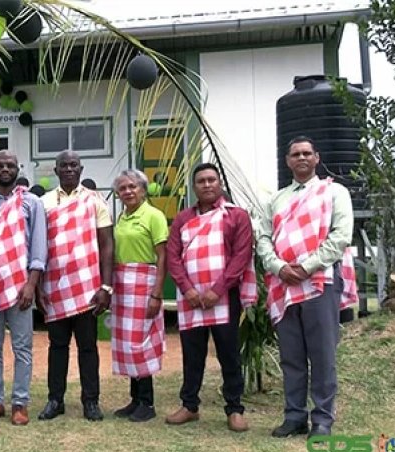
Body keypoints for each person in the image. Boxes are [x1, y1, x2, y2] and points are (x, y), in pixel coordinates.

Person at [257, 136, 357, 438]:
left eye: (306, 153)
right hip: (284, 284)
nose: (301, 158)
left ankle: (323, 419)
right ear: (287, 161)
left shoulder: (334, 192)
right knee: (291, 355)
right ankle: (295, 416)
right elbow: (263, 238)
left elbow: (341, 236)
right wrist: (279, 267)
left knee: (322, 354)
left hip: (319, 281)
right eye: (295, 154)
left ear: (316, 158)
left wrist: (307, 267)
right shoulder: (277, 199)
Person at [165, 163, 256, 432]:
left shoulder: (236, 216)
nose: (207, 184)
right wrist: (188, 290)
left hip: (224, 298)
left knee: (229, 353)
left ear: (219, 184)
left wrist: (218, 290)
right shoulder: (182, 219)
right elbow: (173, 256)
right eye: (201, 181)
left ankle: (235, 409)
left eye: (211, 180)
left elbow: (241, 255)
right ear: (194, 187)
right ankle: (189, 405)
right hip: (190, 299)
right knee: (192, 354)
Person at [37, 150, 114, 421]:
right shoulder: (44, 203)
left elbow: (107, 244)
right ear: (56, 171)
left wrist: (106, 287)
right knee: (57, 346)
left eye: (73, 165)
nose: (69, 169)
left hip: (87, 288)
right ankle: (55, 400)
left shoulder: (95, 200)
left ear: (81, 170)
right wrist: (38, 287)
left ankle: (90, 401)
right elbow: (38, 246)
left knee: (88, 347)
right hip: (54, 287)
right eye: (64, 165)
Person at [0, 150, 47, 426]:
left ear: (18, 169)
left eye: (10, 165)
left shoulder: (31, 203)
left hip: (21, 288)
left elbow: (39, 246)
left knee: (22, 348)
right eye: (0, 165)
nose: (5, 169)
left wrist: (31, 284)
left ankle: (20, 403)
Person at [109, 170, 168, 423]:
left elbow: (163, 256)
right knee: (128, 344)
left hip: (144, 284)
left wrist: (157, 293)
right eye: (123, 188)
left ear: (143, 189)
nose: (128, 191)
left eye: (133, 186)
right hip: (123, 286)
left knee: (142, 343)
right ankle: (135, 399)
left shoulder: (153, 216)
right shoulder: (121, 218)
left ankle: (147, 402)